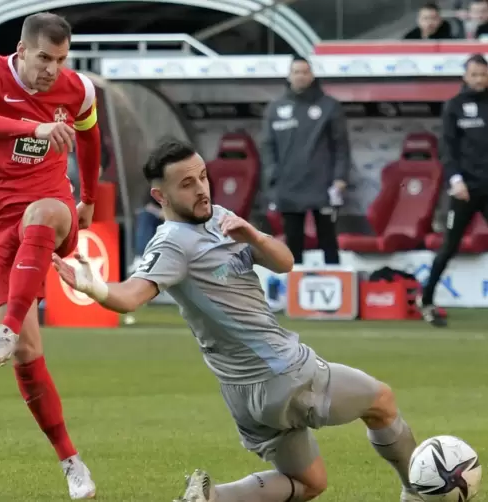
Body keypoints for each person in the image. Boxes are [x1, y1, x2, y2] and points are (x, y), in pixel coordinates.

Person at [53, 139, 423, 502]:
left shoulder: (218, 218)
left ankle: (212, 497)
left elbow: (285, 262)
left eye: (202, 177)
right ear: (160, 197)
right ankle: (421, 491)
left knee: (310, 483)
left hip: (243, 396)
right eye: (186, 184)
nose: (201, 189)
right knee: (382, 401)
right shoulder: (172, 243)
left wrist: (254, 235)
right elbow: (132, 295)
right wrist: (97, 288)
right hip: (285, 372)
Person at [0, 12, 100, 500]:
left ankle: (4, 328)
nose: (51, 70)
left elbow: (88, 135)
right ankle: (71, 461)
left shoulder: (78, 89)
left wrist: (88, 198)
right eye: (43, 58)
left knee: (42, 212)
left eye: (60, 60)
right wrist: (37, 129)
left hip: (49, 201)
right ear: (22, 51)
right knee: (28, 354)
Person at [261, 56, 351, 266]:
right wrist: (272, 175)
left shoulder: (329, 106)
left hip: (323, 185)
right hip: (289, 185)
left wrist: (340, 177)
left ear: (312, 75)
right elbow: (267, 146)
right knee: (293, 241)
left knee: (328, 239)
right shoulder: (276, 108)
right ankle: (295, 291)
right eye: (296, 72)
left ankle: (336, 289)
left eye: (304, 72)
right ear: (289, 76)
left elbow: (341, 146)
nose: (300, 76)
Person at [419, 54, 488, 327]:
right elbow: (447, 149)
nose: (480, 80)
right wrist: (455, 180)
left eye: (483, 75)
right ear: (465, 76)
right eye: (475, 75)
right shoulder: (454, 106)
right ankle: (426, 300)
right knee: (449, 246)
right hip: (464, 188)